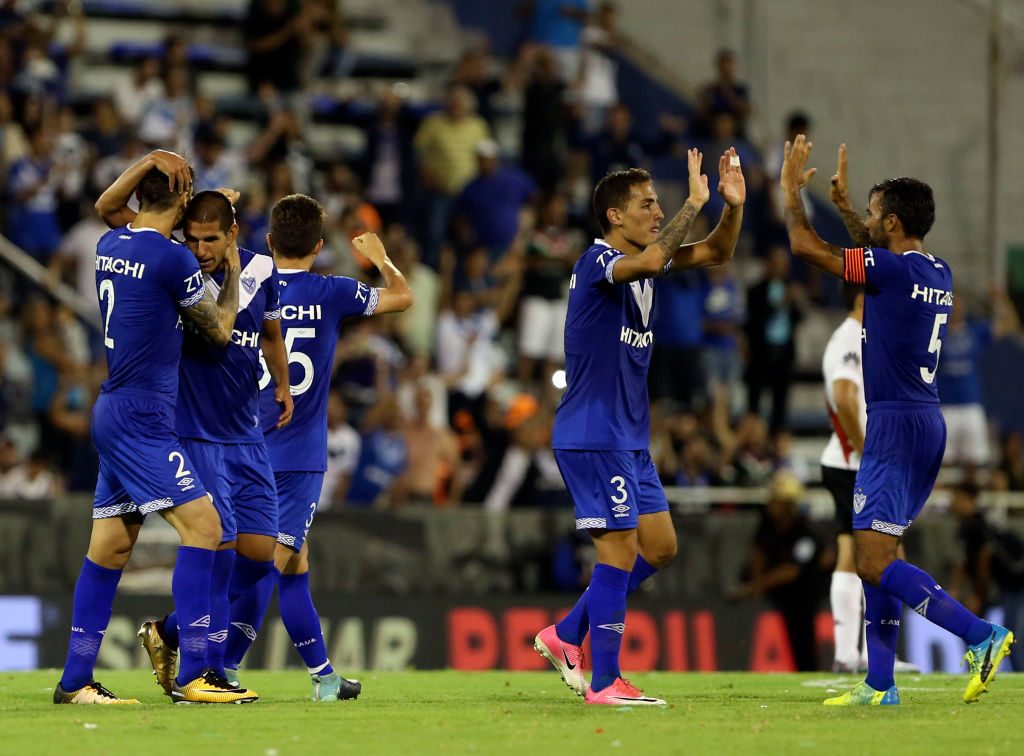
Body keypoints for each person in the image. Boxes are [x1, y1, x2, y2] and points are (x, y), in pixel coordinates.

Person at [780, 135, 1014, 706]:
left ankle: (982, 636)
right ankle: (881, 683)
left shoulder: (889, 270)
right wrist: (844, 210)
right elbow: (877, 264)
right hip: (923, 420)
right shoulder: (934, 270)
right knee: (875, 555)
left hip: (893, 424)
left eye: (871, 210)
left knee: (874, 558)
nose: (866, 215)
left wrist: (792, 194)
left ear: (891, 222)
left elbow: (805, 247)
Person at [535, 147, 746, 705]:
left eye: (660, 204)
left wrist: (731, 206)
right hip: (593, 432)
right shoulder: (598, 261)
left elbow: (721, 250)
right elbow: (653, 260)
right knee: (620, 548)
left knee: (660, 545)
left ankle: (564, 634)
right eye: (648, 204)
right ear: (614, 216)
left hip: (629, 437)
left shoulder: (649, 262)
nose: (658, 212)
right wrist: (694, 204)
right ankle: (605, 682)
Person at [53, 150, 249, 705]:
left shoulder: (109, 243)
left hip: (112, 410)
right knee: (206, 528)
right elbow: (217, 332)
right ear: (183, 200)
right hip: (143, 419)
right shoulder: (173, 261)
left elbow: (107, 204)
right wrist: (230, 263)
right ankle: (194, 677)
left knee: (110, 550)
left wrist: (146, 162)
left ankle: (75, 682)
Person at [215, 194, 411, 701]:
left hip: (240, 444)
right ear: (320, 247)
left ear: (270, 240)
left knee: (294, 564)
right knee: (266, 566)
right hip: (297, 456)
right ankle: (219, 666)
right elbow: (402, 297)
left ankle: (324, 678)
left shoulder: (246, 284)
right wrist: (381, 258)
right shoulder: (334, 291)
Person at [134, 191, 293, 702]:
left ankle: (172, 631)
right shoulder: (180, 278)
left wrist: (284, 384)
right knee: (219, 549)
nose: (199, 248)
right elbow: (119, 218)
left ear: (232, 235)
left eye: (209, 239)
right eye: (191, 238)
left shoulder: (261, 273)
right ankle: (205, 671)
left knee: (259, 554)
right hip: (195, 431)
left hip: (246, 432)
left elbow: (270, 333)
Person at [735, 471, 826, 671]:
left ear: (788, 505)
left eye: (777, 501)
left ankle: (808, 670)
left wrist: (757, 585)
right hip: (780, 592)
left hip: (804, 593)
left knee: (803, 636)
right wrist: (757, 581)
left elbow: (792, 570)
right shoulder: (767, 523)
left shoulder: (806, 532)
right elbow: (758, 551)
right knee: (788, 633)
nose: (771, 504)